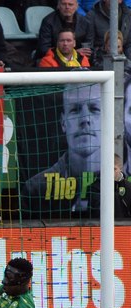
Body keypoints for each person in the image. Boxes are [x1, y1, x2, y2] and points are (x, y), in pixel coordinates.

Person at [22, 83, 101, 216]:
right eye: (75, 110)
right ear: (63, 122)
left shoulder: (119, 184)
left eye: (94, 109)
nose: (85, 119)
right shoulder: (35, 188)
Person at [37, 0, 90, 64]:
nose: (67, 7)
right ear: (58, 6)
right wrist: (73, 52)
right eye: (64, 4)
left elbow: (89, 46)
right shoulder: (48, 21)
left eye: (70, 4)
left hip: (80, 59)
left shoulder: (85, 22)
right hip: (53, 60)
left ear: (77, 6)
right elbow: (43, 49)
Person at [84, 0, 131, 65]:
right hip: (100, 60)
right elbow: (89, 45)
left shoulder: (128, 14)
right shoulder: (92, 15)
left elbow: (129, 44)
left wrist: (128, 64)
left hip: (124, 60)